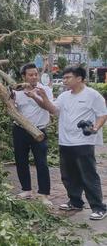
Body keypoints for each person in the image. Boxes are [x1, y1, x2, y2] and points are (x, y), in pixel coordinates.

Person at [28, 66, 107, 220]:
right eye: (63, 78)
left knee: (88, 175)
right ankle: (75, 201)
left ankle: (98, 207)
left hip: (84, 141)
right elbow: (52, 109)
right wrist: (39, 97)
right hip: (65, 141)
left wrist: (95, 127)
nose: (64, 80)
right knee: (68, 175)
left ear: (79, 78)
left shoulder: (93, 95)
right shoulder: (64, 96)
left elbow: (102, 115)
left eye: (67, 77)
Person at [11, 63, 53, 205]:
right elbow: (12, 109)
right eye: (31, 74)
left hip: (39, 131)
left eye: (36, 74)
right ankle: (26, 190)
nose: (34, 77)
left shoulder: (45, 89)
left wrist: (34, 95)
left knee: (41, 163)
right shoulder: (17, 92)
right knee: (21, 160)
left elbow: (48, 107)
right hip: (20, 130)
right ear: (24, 76)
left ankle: (44, 194)